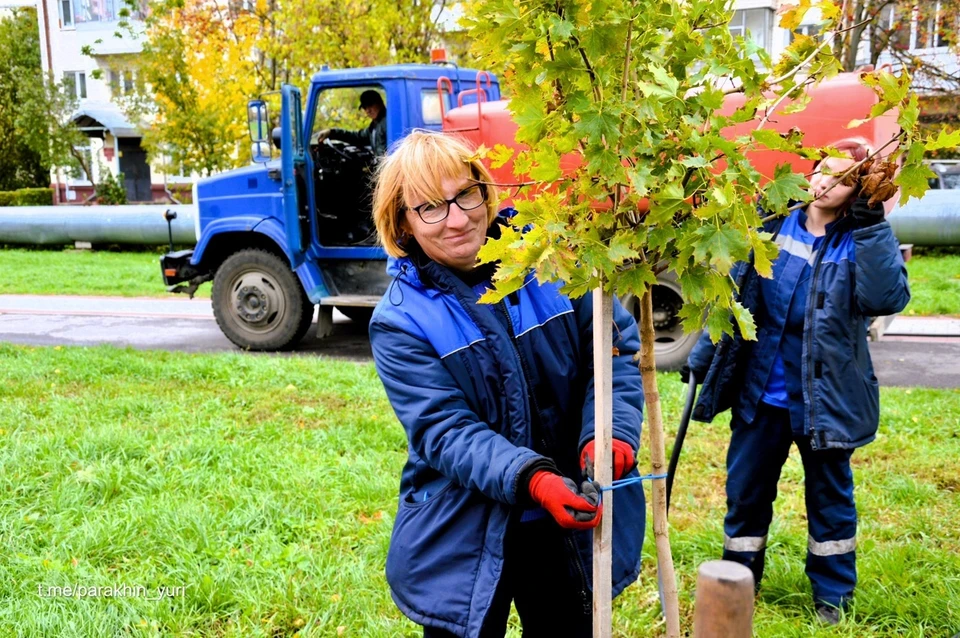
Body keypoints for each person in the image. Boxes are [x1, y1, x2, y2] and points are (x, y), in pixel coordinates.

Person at [368, 130, 647, 638]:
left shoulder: (554, 264)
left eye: (465, 196)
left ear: (485, 190)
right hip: (468, 526)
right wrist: (533, 479)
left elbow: (613, 355)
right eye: (430, 208)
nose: (456, 219)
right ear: (402, 222)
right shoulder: (401, 321)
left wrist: (611, 432)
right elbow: (444, 431)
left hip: (568, 515)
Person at [683, 138, 910, 625]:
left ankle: (832, 599)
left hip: (825, 400)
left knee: (830, 501)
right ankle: (736, 581)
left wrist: (873, 226)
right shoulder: (774, 222)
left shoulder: (861, 237)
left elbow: (885, 297)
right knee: (745, 494)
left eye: (843, 178)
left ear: (860, 190)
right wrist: (703, 354)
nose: (824, 181)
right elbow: (737, 295)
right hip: (761, 394)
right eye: (821, 170)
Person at [315, 89, 387, 155]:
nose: (368, 110)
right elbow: (357, 137)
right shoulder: (375, 126)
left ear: (380, 103)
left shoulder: (387, 122)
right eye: (365, 107)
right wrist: (332, 132)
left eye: (370, 105)